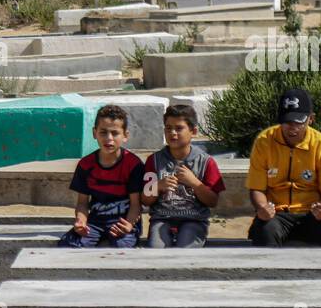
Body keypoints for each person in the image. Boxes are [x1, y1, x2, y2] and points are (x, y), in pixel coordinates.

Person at [247, 87, 321, 247]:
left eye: (299, 122)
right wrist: (263, 209)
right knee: (264, 231)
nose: (292, 127)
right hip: (277, 215)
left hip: (310, 214)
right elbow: (256, 188)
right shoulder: (264, 141)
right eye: (287, 122)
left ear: (311, 119)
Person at [57, 104, 145, 248]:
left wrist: (129, 224)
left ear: (125, 136)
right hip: (95, 222)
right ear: (94, 133)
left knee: (122, 249)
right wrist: (81, 221)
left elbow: (136, 205)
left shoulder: (133, 164)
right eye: (103, 132)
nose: (108, 138)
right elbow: (82, 203)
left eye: (115, 133)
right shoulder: (85, 165)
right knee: (69, 246)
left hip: (123, 222)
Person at [141, 104, 225, 248]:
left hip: (194, 220)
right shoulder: (153, 161)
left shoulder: (206, 162)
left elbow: (213, 201)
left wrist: (195, 183)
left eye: (179, 128)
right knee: (155, 250)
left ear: (193, 131)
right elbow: (146, 200)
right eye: (168, 128)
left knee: (184, 250)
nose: (173, 133)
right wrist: (158, 186)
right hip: (162, 219)